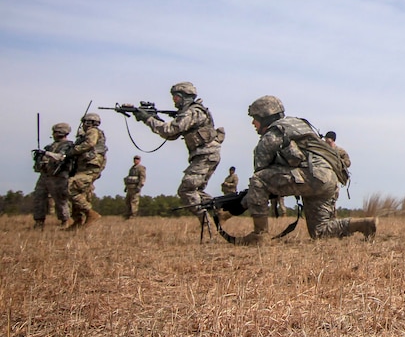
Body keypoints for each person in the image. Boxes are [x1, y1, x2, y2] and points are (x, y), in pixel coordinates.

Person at [240, 95, 375, 243]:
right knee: (320, 231)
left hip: (313, 176)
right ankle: (364, 224)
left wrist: (244, 202)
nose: (253, 123)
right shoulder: (297, 124)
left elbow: (260, 173)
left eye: (255, 118)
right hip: (328, 179)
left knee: (259, 179)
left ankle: (259, 235)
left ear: (265, 117)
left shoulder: (273, 134)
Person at [133, 82, 223, 216]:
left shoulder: (192, 112)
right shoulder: (191, 112)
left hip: (206, 155)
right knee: (196, 192)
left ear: (184, 97)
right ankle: (220, 211)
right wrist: (155, 118)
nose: (174, 102)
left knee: (186, 190)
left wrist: (148, 119)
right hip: (207, 155)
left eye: (176, 98)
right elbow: (172, 135)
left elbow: (169, 130)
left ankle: (207, 220)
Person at [67, 112, 108, 229]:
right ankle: (78, 221)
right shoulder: (87, 134)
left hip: (89, 167)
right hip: (84, 167)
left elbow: (90, 143)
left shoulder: (92, 131)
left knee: (71, 187)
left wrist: (73, 150)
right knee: (82, 192)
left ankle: (90, 213)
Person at [31, 122, 75, 228]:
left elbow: (61, 157)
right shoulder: (50, 146)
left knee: (60, 199)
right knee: (39, 197)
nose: (54, 134)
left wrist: (46, 154)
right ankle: (39, 222)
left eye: (56, 132)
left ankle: (65, 221)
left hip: (59, 176)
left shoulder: (68, 145)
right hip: (46, 175)